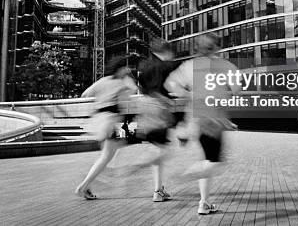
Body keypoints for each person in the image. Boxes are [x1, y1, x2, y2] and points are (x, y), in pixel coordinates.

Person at [165, 33, 241, 215]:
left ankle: (204, 203)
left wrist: (190, 95)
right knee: (216, 163)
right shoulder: (224, 65)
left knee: (207, 159)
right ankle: (187, 175)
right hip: (212, 118)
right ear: (216, 47)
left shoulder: (189, 65)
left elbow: (171, 85)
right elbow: (237, 88)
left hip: (194, 118)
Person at [75, 57, 138, 200]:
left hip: (101, 119)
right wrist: (128, 80)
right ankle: (84, 186)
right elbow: (133, 92)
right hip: (114, 120)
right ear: (120, 69)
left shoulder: (103, 81)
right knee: (106, 157)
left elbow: (85, 94)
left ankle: (90, 183)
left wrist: (102, 98)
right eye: (125, 68)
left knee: (108, 155)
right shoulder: (122, 82)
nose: (127, 70)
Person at [135, 39, 182, 203]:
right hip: (160, 109)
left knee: (158, 148)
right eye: (170, 52)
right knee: (164, 151)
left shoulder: (143, 66)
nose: (172, 55)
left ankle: (158, 190)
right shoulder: (166, 66)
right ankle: (137, 165)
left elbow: (142, 89)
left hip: (145, 108)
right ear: (165, 51)